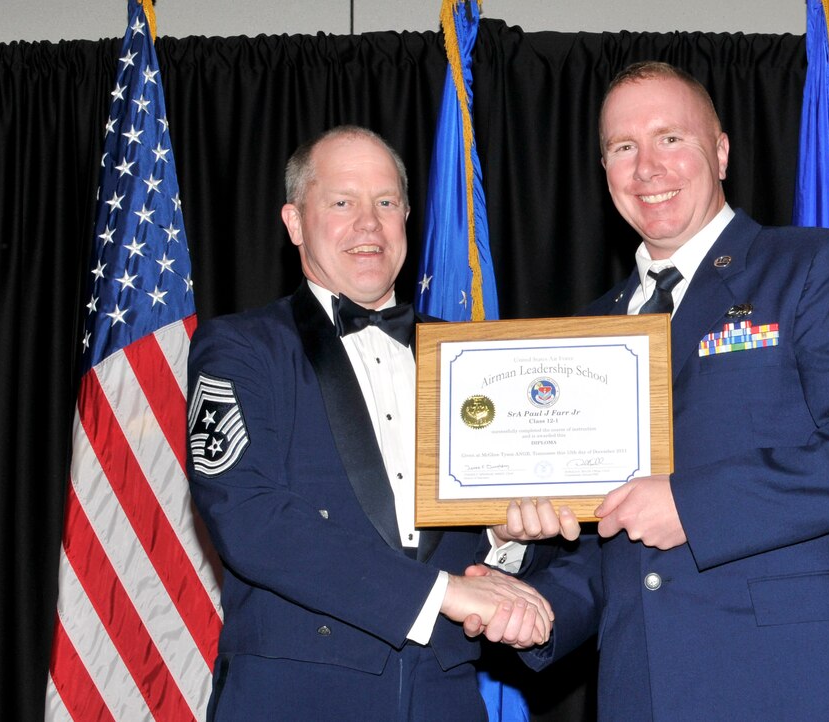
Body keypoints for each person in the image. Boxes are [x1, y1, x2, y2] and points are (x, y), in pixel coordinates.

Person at [471, 61, 829, 720]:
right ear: (604, 169)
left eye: (670, 138)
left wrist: (692, 506)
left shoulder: (808, 267)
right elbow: (614, 546)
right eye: (623, 147)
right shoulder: (590, 333)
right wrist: (532, 600)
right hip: (641, 694)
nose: (646, 167)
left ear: (720, 153)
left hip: (787, 689)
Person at [186, 125, 573, 721]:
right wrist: (443, 593)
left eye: (386, 202)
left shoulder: (472, 361)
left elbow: (485, 538)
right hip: (296, 699)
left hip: (445, 698)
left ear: (407, 218)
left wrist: (504, 540)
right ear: (294, 222)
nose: (368, 223)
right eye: (342, 202)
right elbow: (252, 521)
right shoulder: (241, 349)